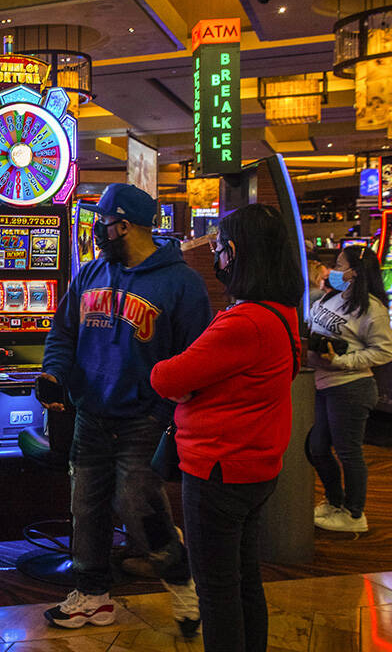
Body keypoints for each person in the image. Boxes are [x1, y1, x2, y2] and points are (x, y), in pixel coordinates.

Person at [39, 183, 210, 632]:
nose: (97, 229)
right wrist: (54, 374)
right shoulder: (91, 273)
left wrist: (163, 414)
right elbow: (63, 333)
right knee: (86, 508)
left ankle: (182, 584)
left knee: (141, 509)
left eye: (103, 222)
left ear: (125, 226)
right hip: (91, 415)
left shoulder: (182, 282)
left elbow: (195, 358)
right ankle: (92, 595)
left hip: (144, 419)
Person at [151, 203, 303, 652]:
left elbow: (166, 377)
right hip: (254, 464)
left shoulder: (246, 320)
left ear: (233, 252)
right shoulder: (280, 311)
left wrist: (187, 385)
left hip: (219, 467)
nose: (215, 257)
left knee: (217, 590)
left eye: (218, 248)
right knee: (243, 580)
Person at [306, 243, 392, 533]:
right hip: (323, 384)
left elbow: (384, 351)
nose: (333, 271)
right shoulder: (332, 297)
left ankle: (354, 514)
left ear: (354, 273)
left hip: (351, 388)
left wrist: (342, 361)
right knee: (317, 447)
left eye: (340, 266)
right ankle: (334, 501)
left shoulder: (372, 308)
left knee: (348, 452)